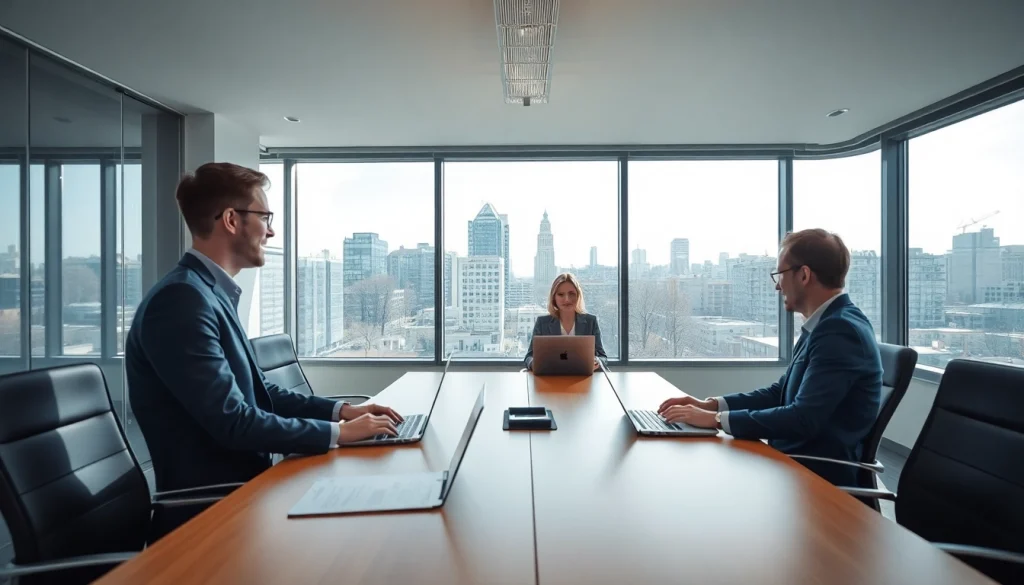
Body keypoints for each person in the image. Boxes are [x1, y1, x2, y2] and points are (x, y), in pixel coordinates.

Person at [126, 162, 403, 497]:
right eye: (264, 217)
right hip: (215, 509)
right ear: (231, 220)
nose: (270, 232)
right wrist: (339, 433)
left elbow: (260, 393)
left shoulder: (207, 294)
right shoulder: (181, 301)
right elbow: (233, 421)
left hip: (252, 490)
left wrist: (344, 412)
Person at [658, 229, 882, 487]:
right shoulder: (825, 324)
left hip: (813, 479)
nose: (777, 286)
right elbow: (780, 393)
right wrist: (710, 406)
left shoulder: (840, 331)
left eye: (780, 275)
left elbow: (803, 418)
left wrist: (716, 421)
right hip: (790, 464)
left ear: (804, 275)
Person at [524, 272, 608, 371]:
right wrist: (535, 364)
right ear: (554, 297)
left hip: (583, 379)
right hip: (551, 378)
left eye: (571, 294)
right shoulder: (542, 323)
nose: (567, 299)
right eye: (561, 294)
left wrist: (597, 362)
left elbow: (603, 357)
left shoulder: (591, 321)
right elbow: (529, 357)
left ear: (578, 296)